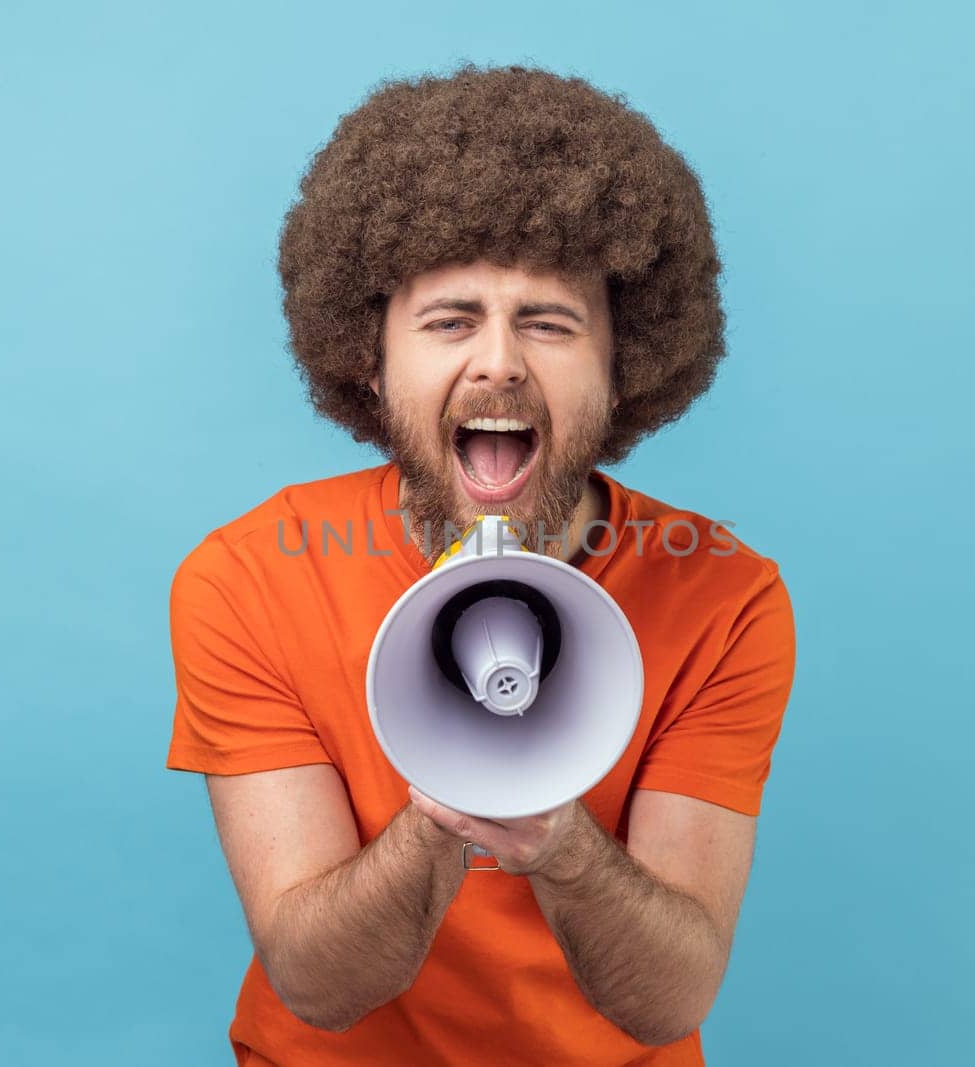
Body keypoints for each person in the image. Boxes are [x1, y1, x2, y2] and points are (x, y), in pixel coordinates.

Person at [165, 64, 798, 1066]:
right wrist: (450, 802)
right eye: (450, 321)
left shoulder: (723, 597)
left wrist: (555, 837)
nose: (499, 363)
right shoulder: (245, 581)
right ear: (370, 361)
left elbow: (670, 993)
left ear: (620, 363)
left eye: (548, 323)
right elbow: (316, 982)